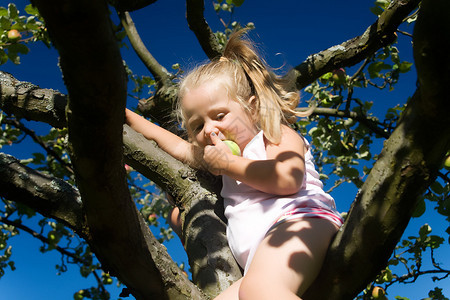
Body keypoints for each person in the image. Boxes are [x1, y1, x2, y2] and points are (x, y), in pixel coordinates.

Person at [125, 29, 343, 299]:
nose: (210, 130)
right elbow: (175, 145)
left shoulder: (273, 135)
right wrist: (124, 116)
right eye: (198, 125)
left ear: (252, 109)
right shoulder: (215, 160)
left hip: (302, 222)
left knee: (259, 289)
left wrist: (229, 164)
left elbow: (289, 178)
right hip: (260, 265)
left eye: (219, 115)